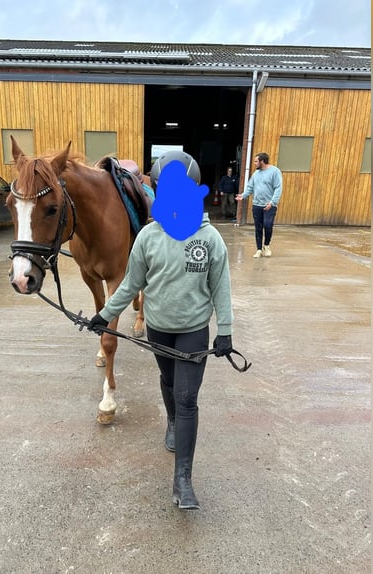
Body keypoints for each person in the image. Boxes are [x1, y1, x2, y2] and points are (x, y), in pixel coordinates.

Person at [88, 151, 234, 511]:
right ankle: (170, 420)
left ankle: (183, 480)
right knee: (168, 384)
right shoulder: (148, 239)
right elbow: (128, 285)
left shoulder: (210, 239)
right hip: (160, 331)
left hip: (193, 332)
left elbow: (222, 288)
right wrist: (104, 315)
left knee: (187, 399)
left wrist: (226, 330)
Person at [236, 152, 282, 258]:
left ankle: (266, 245)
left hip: (269, 205)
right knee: (258, 227)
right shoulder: (256, 174)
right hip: (257, 205)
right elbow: (250, 187)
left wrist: (272, 202)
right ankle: (259, 249)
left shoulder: (275, 172)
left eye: (256, 161)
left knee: (268, 225)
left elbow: (278, 188)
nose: (254, 163)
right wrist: (243, 196)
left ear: (262, 161)